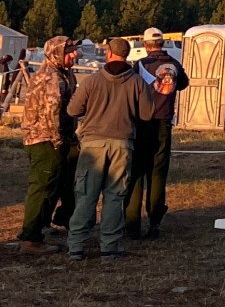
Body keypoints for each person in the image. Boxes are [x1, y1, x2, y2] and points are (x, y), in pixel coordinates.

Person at [65, 36, 157, 261]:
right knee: (115, 197)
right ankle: (110, 246)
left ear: (108, 53)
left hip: (92, 145)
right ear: (127, 56)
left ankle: (76, 246)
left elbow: (72, 110)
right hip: (122, 144)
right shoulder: (137, 82)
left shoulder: (92, 81)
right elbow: (147, 114)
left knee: (86, 195)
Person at [16, 35, 79, 252]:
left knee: (62, 183)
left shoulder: (65, 73)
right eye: (69, 51)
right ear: (57, 53)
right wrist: (58, 140)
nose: (75, 54)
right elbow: (52, 112)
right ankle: (31, 238)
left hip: (58, 139)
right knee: (43, 187)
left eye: (74, 50)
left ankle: (50, 222)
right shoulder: (52, 77)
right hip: (45, 140)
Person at [127, 27, 189, 240]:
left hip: (143, 122)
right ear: (163, 43)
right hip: (164, 124)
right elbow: (183, 84)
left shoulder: (141, 64)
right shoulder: (174, 64)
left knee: (136, 173)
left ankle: (132, 222)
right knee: (157, 173)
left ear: (145, 45)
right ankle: (154, 221)